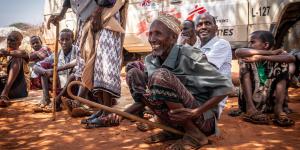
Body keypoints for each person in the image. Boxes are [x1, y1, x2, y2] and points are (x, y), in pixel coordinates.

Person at [95, 14, 233, 149]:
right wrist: (120, 115)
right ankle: (170, 129)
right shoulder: (151, 59)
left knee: (160, 76)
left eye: (158, 34)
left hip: (202, 120)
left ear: (173, 37)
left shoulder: (189, 56)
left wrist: (196, 112)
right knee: (133, 72)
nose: (152, 39)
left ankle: (195, 134)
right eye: (150, 34)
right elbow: (144, 99)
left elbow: (226, 87)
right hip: (175, 119)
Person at [48, 0, 128, 120]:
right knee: (90, 66)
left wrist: (97, 12)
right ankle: (102, 109)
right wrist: (60, 15)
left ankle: (107, 111)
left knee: (104, 64)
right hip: (86, 22)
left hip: (104, 18)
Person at [235, 30, 295, 127]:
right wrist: (271, 52)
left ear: (266, 45)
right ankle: (250, 108)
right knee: (244, 62)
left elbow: (291, 58)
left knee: (283, 63)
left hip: (270, 101)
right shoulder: (249, 56)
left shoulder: (275, 57)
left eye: (252, 42)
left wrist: (261, 57)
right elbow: (238, 52)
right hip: (253, 101)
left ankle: (278, 109)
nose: (249, 45)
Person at [194, 12, 232, 119]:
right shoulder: (195, 47)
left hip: (209, 105)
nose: (203, 27)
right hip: (196, 95)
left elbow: (203, 68)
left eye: (207, 23)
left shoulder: (221, 44)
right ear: (195, 30)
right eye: (199, 24)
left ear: (216, 28)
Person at [32, 29, 78, 112]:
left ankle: (57, 100)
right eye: (62, 40)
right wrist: (45, 72)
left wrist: (55, 70)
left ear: (73, 40)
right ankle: (46, 99)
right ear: (59, 41)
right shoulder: (57, 53)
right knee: (43, 70)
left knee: (74, 74)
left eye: (67, 39)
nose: (64, 42)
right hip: (60, 87)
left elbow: (77, 62)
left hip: (74, 88)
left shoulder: (78, 50)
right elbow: (36, 66)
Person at [0, 31, 29, 107]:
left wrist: (7, 53)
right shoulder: (3, 53)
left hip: (18, 89)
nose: (9, 42)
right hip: (3, 85)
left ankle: (4, 94)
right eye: (8, 39)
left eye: (13, 40)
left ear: (19, 43)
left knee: (17, 58)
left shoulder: (22, 52)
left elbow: (23, 54)